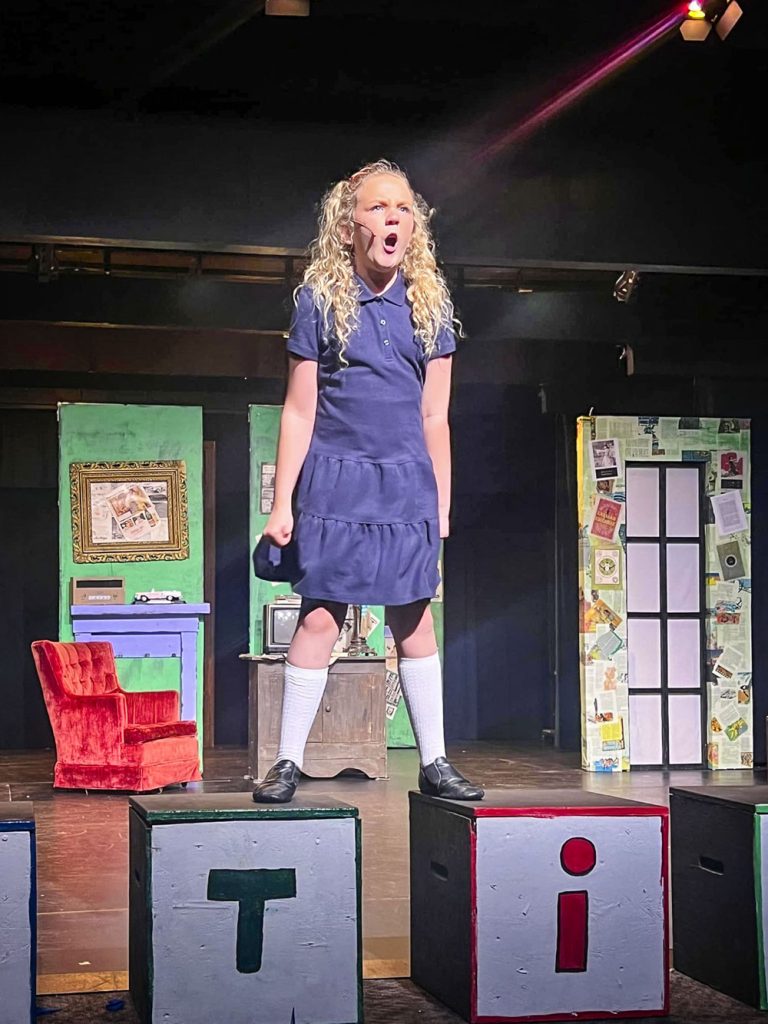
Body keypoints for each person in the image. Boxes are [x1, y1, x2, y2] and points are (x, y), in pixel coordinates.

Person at [252, 159, 484, 804]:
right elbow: (299, 410)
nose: (393, 218)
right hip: (336, 481)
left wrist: (441, 500)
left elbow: (435, 415)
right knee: (321, 617)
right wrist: (281, 504)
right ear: (350, 223)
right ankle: (287, 763)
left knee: (413, 619)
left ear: (416, 226)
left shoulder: (430, 306)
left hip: (406, 483)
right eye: (380, 207)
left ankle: (435, 763)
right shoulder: (320, 302)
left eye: (404, 209)